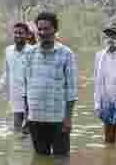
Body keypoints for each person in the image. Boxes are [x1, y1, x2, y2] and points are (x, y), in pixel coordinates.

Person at [22, 11, 77, 157]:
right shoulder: (29, 54)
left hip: (58, 119)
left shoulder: (66, 54)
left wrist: (68, 119)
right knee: (40, 160)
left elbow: (71, 90)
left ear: (55, 30)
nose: (42, 32)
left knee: (61, 160)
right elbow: (25, 88)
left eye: (46, 29)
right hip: (36, 118)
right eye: (39, 29)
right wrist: (27, 116)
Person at [0, 21, 33, 134]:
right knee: (17, 128)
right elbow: (7, 72)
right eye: (15, 33)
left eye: (21, 33)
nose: (18, 35)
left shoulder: (32, 51)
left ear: (28, 35)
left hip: (31, 95)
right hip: (15, 94)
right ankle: (19, 148)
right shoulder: (8, 50)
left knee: (30, 128)